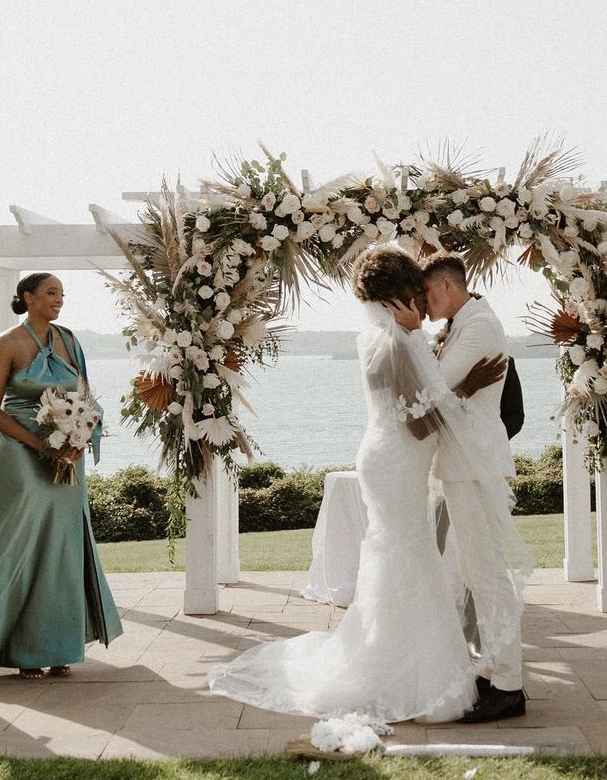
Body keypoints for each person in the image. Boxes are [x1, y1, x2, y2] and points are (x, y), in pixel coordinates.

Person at [207, 246, 512, 735]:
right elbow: (418, 421)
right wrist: (463, 386)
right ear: (399, 296)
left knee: (400, 557)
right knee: (407, 556)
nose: (421, 303)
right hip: (397, 458)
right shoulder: (399, 340)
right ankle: (402, 671)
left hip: (387, 458)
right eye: (415, 293)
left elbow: (415, 408)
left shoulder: (383, 336)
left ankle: (399, 657)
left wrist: (438, 369)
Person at [0, 273, 122, 676]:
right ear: (28, 298)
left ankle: (56, 646)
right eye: (50, 293)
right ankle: (14, 651)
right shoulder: (7, 343)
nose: (59, 300)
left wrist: (77, 438)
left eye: (62, 293)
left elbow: (84, 396)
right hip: (21, 457)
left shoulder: (70, 340)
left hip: (66, 457)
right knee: (14, 546)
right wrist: (39, 443)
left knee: (62, 548)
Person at [423, 254, 531, 718]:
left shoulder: (481, 325)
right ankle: (493, 670)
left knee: (487, 574)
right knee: (473, 572)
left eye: (426, 295)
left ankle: (508, 685)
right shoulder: (465, 322)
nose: (423, 306)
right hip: (463, 462)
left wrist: (416, 353)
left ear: (447, 286)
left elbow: (438, 387)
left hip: (473, 463)